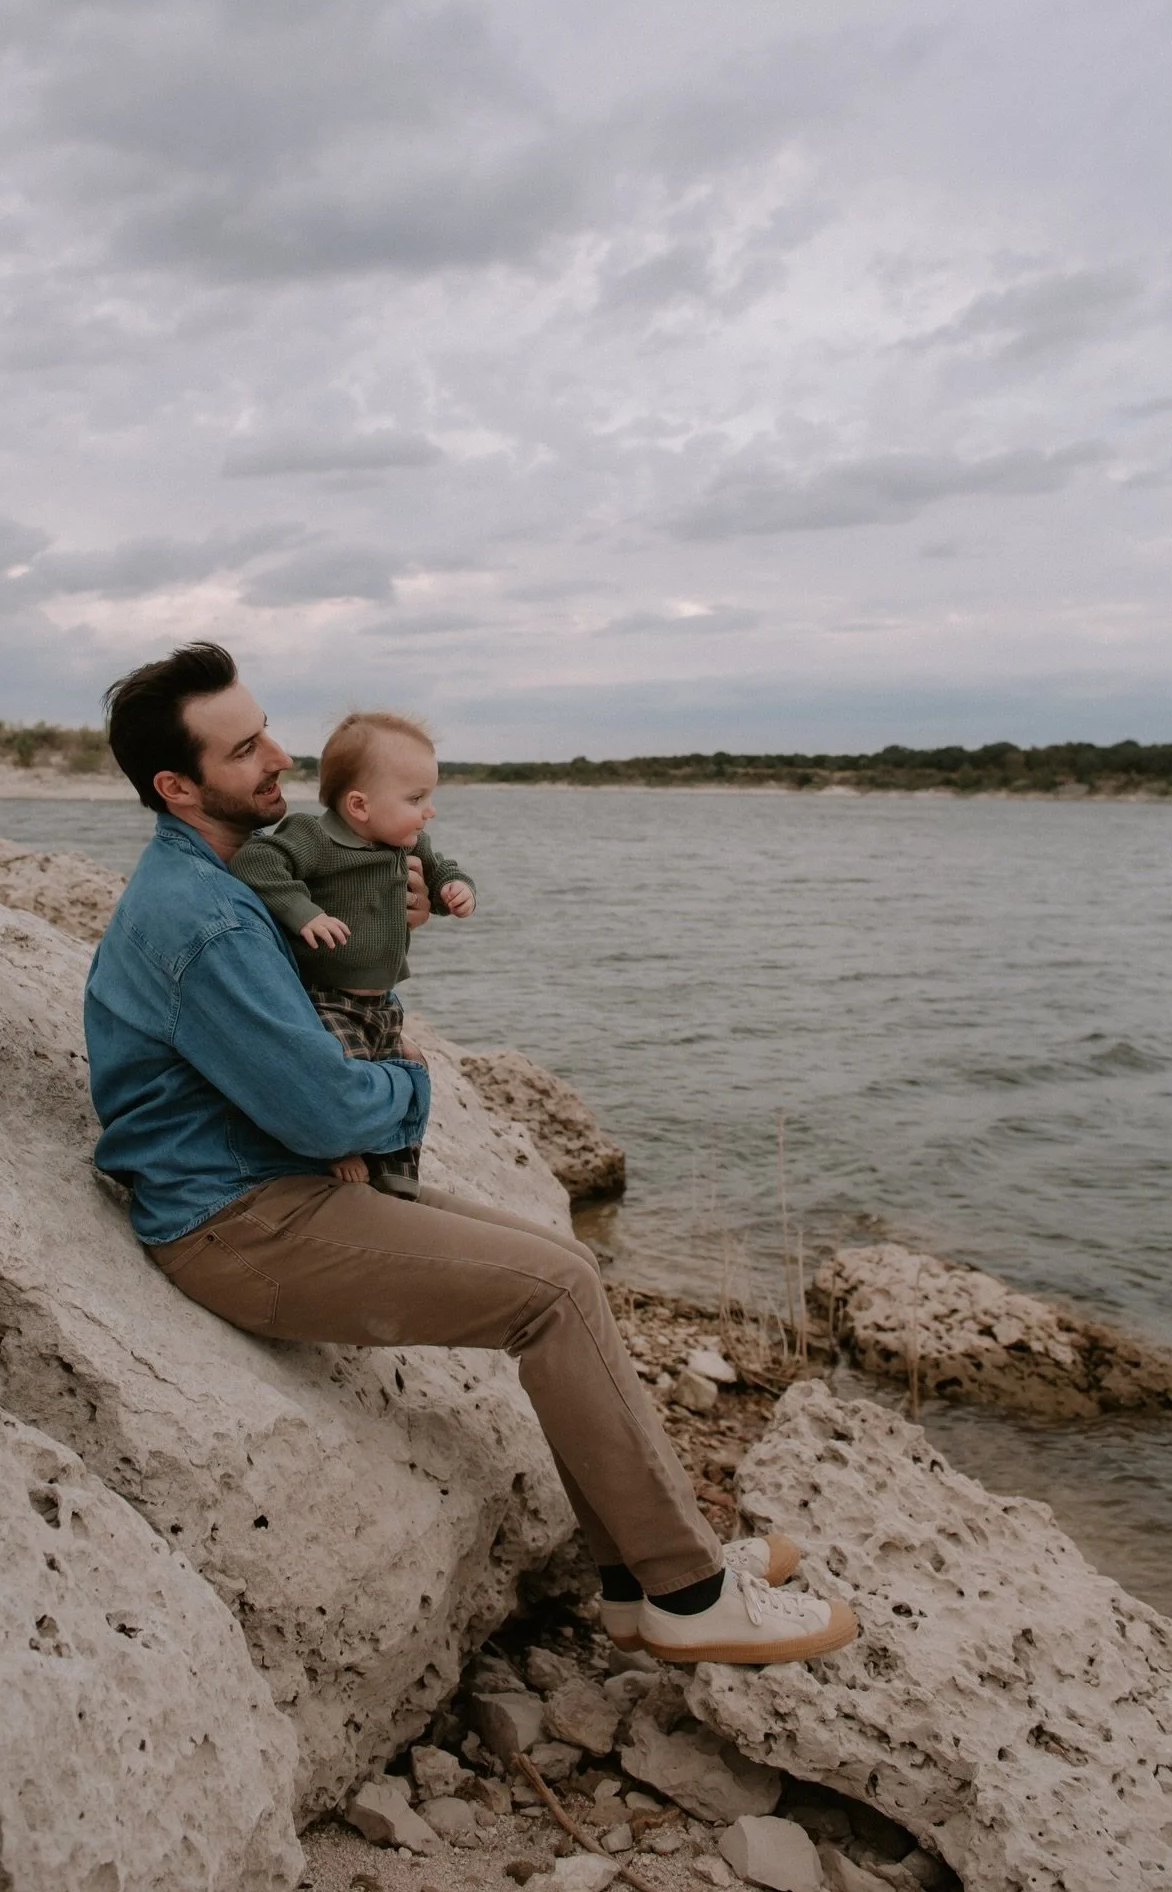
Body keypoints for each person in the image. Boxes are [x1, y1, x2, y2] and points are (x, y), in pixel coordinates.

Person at [83, 642, 857, 1666]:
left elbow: (320, 1005)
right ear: (178, 786)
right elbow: (328, 1113)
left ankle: (638, 1576)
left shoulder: (234, 878)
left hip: (269, 1183)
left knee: (569, 1265)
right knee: (553, 1294)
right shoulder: (203, 917)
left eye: (267, 728)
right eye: (245, 749)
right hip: (238, 1218)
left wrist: (374, 930)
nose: (279, 755)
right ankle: (692, 1596)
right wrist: (411, 1079)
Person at [230, 709, 476, 1200]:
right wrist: (304, 913)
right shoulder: (314, 837)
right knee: (344, 1074)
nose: (428, 811)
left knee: (399, 1068)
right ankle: (337, 1149)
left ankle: (398, 1167)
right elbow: (257, 860)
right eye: (416, 798)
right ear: (360, 805)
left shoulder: (406, 842)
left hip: (382, 1000)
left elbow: (443, 870)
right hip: (327, 995)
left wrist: (455, 890)